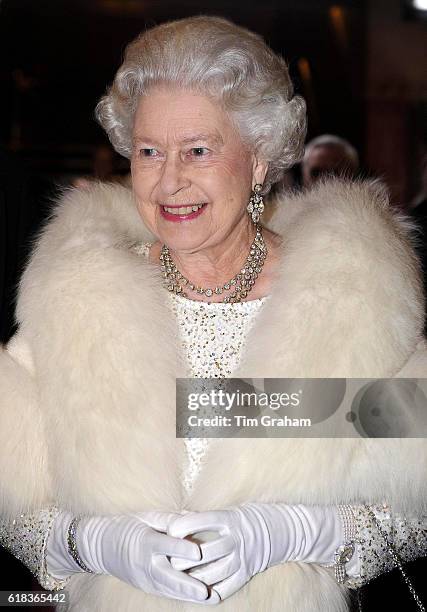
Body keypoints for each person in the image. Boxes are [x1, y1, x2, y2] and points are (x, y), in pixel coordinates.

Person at [0, 16, 426, 612]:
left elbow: (412, 499)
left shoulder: (347, 303)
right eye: (149, 152)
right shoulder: (79, 302)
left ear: (256, 161)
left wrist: (299, 533)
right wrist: (90, 542)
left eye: (198, 150)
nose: (169, 181)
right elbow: (18, 500)